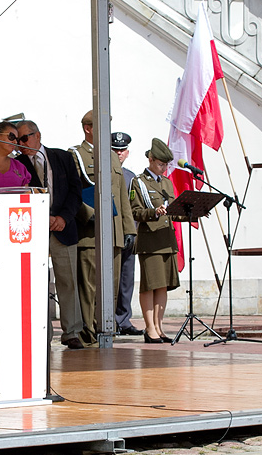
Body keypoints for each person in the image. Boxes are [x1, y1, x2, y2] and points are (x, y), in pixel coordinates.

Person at [69, 111, 136, 348]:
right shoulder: (76, 155)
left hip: (114, 231)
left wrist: (129, 229)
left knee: (112, 285)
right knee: (89, 287)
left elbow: (122, 197)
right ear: (88, 128)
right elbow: (73, 192)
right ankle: (88, 333)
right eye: (100, 126)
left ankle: (105, 328)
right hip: (91, 232)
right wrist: (90, 215)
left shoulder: (111, 156)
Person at [16, 120, 82, 348]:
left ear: (38, 135)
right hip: (34, 231)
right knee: (36, 283)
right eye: (18, 140)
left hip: (63, 227)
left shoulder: (62, 157)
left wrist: (63, 217)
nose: (22, 144)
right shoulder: (17, 164)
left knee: (69, 281)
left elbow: (76, 191)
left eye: (25, 138)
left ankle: (72, 331)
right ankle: (42, 333)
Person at [129, 139, 180, 343]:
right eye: (160, 164)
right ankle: (149, 327)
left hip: (167, 239)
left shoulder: (166, 183)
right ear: (150, 159)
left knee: (163, 286)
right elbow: (135, 211)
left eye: (166, 165)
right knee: (150, 285)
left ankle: (159, 327)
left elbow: (175, 209)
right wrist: (153, 212)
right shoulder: (139, 182)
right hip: (150, 240)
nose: (164, 168)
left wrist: (193, 211)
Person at [111, 132, 142, 336]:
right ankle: (109, 320)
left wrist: (132, 230)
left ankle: (124, 319)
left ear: (128, 153)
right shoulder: (103, 173)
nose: (119, 154)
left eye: (122, 150)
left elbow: (134, 207)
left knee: (126, 278)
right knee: (110, 278)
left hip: (128, 233)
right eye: (115, 150)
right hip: (110, 233)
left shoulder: (131, 177)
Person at [0, 121, 31, 188]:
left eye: (16, 139)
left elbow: (26, 195)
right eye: (11, 136)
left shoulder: (19, 166)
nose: (15, 142)